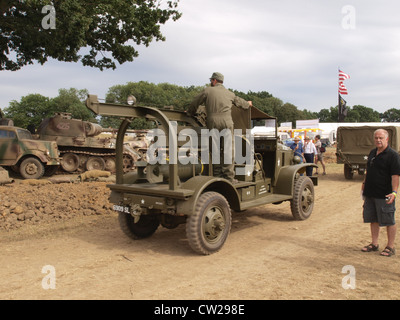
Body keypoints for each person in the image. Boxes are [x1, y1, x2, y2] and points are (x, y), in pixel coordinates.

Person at [187, 72, 252, 183]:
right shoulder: (230, 93)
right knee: (228, 150)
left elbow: (195, 102)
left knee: (215, 149)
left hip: (213, 122)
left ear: (214, 81)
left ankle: (217, 175)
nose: (210, 82)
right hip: (227, 122)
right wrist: (248, 103)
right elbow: (242, 104)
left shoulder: (207, 91)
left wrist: (190, 112)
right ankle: (229, 177)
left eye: (211, 80)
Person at [361, 129, 400, 257]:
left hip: (385, 193)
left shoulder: (393, 155)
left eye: (381, 138)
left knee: (389, 220)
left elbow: (395, 175)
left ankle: (390, 246)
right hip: (371, 193)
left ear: (387, 139)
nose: (378, 140)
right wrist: (364, 183)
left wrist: (394, 192)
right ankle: (374, 244)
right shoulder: (373, 152)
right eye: (376, 138)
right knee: (373, 219)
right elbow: (368, 170)